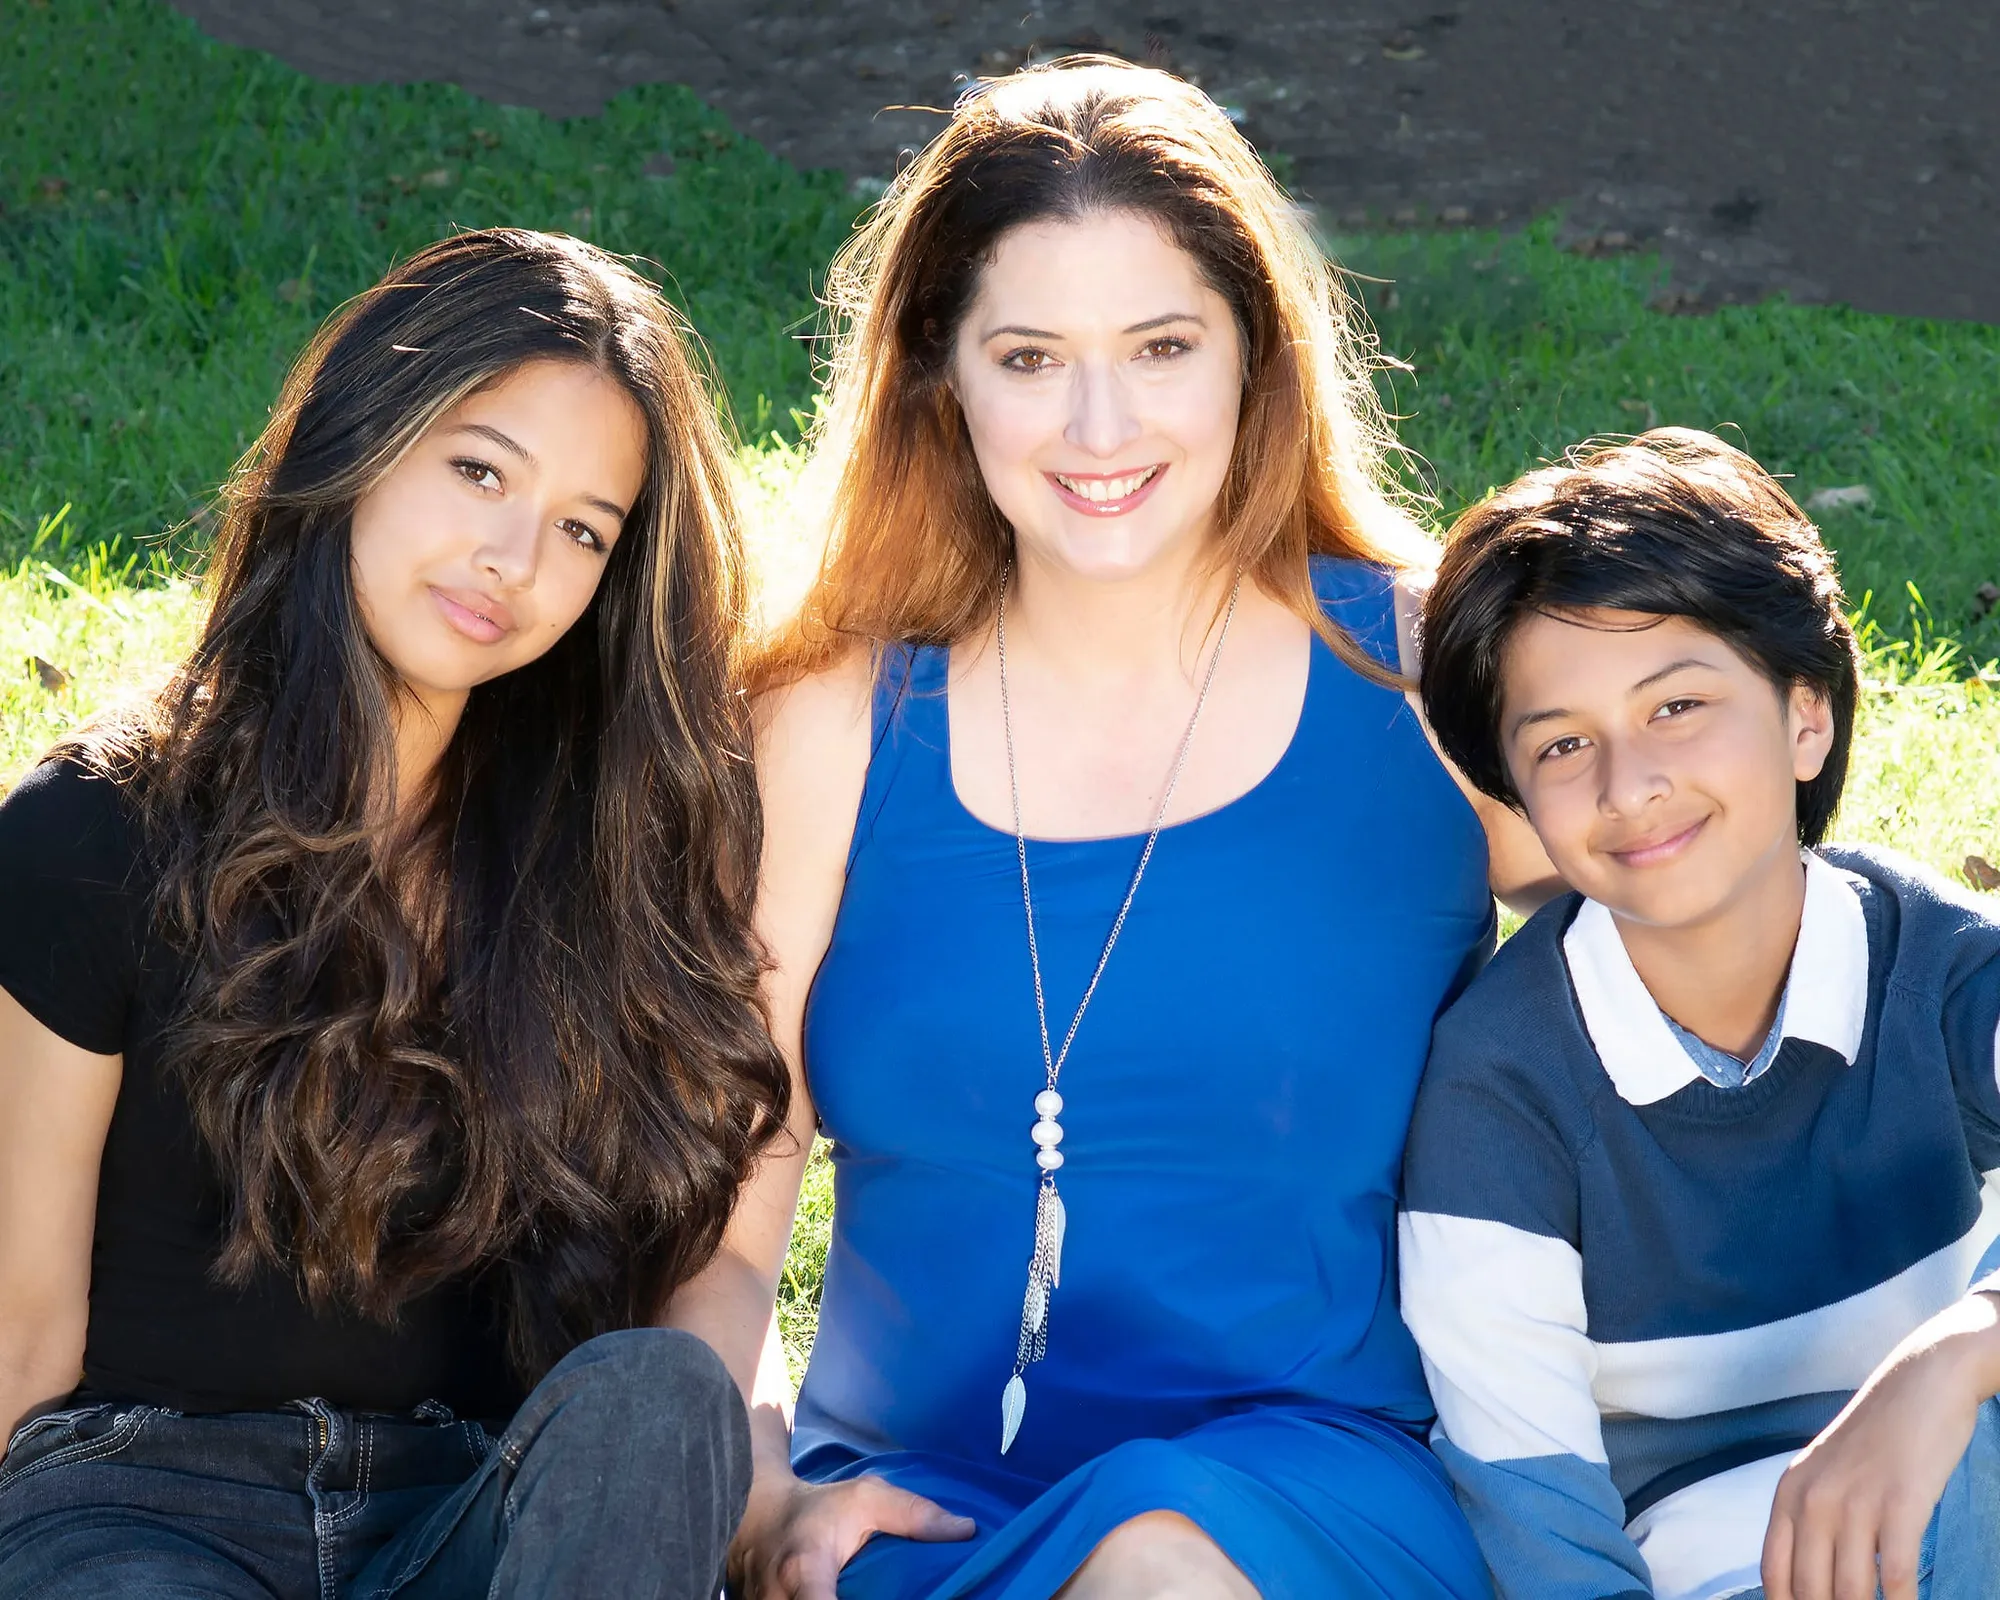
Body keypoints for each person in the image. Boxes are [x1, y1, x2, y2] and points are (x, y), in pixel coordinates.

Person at [665, 58, 1553, 1600]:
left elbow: (1723, 954)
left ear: (1255, 358)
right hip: (902, 1511)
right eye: (1029, 357)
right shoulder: (829, 726)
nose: (1098, 424)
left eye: (1161, 348)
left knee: (1157, 1556)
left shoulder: (1425, 677)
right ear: (940, 375)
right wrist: (755, 1486)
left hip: (1309, 1487)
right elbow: (721, 1219)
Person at [0, 229, 786, 1598]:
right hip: (141, 1511)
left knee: (661, 1392)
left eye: (583, 529)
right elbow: (18, 1331)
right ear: (364, 439)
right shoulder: (99, 833)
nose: (512, 558)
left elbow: (677, 1294)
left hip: (454, 1518)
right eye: (480, 471)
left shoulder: (596, 880)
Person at [1400, 428, 2000, 1600]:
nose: (1628, 785)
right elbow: (1540, 1529)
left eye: (1675, 705)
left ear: (1804, 716)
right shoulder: (1497, 1100)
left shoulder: (1936, 969)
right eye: (1562, 744)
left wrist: (1958, 1347)